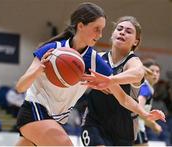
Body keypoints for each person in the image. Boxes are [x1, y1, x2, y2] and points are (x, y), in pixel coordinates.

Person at [15, 2, 112, 146]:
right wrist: (38, 70)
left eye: (102, 30)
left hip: (56, 119)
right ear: (80, 26)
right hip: (35, 110)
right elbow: (20, 87)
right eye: (96, 29)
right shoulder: (52, 50)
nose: (100, 35)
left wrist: (99, 83)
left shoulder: (94, 60)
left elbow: (113, 87)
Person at [80, 16, 165, 146]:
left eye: (129, 31)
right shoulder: (98, 58)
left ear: (136, 42)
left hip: (124, 128)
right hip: (94, 122)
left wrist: (110, 80)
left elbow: (137, 73)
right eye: (119, 29)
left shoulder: (133, 61)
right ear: (113, 34)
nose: (122, 32)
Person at [134, 59, 163, 146]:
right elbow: (138, 110)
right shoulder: (145, 88)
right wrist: (154, 125)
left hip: (137, 126)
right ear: (145, 72)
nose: (155, 74)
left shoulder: (148, 87)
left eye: (157, 72)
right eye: (152, 71)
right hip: (135, 128)